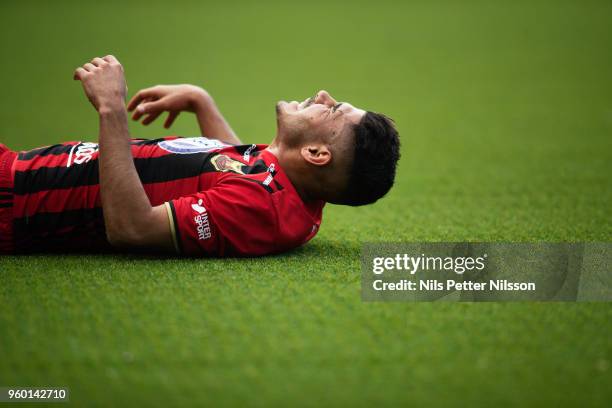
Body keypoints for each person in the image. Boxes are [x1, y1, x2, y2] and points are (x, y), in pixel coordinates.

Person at [0, 55, 400, 256]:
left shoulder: (262, 205)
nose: (324, 95)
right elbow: (237, 171)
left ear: (315, 153)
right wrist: (200, 101)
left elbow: (132, 229)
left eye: (332, 110)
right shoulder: (286, 189)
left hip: (15, 202)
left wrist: (112, 108)